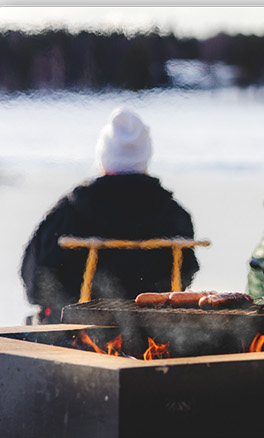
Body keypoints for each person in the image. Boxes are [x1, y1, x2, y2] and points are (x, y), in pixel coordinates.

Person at [20, 107, 199, 322]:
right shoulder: (174, 215)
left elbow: (34, 282)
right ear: (145, 156)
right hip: (150, 329)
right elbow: (185, 274)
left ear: (103, 156)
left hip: (75, 328)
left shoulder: (67, 214)